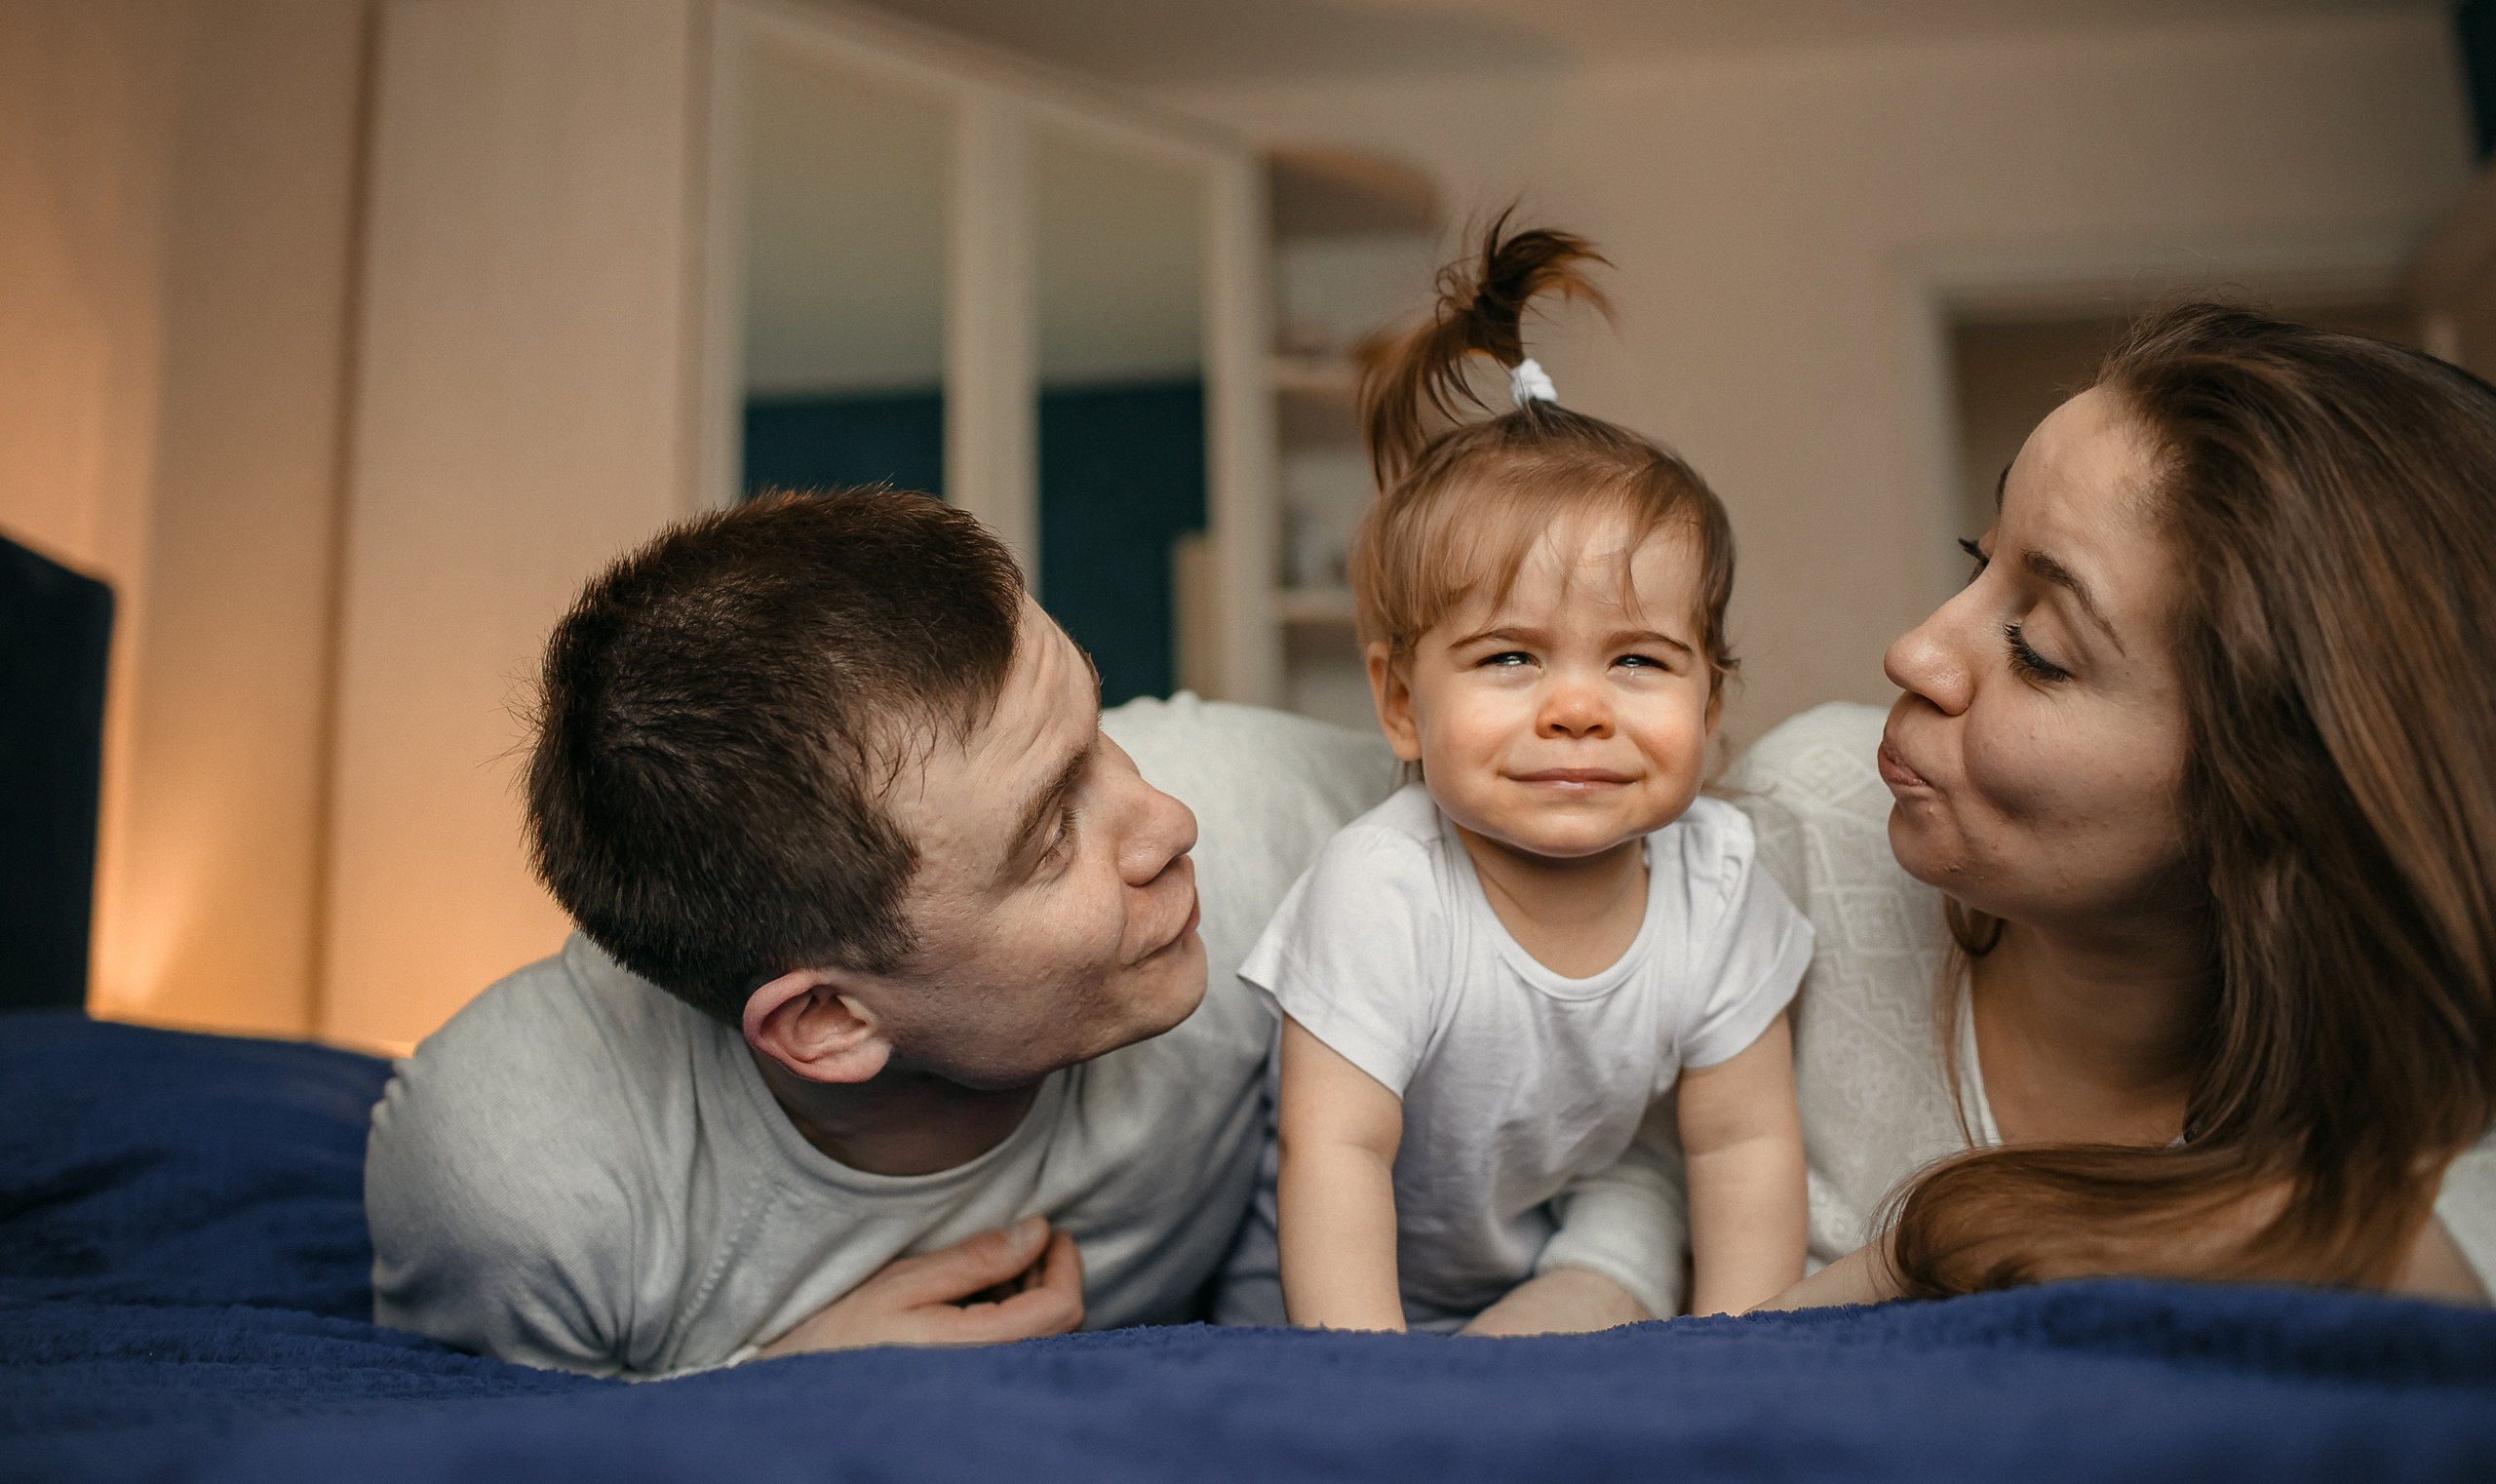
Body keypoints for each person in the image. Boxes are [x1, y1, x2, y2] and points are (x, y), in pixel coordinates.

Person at [365, 488, 1671, 1377]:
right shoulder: (517, 1180)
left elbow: (1655, 937)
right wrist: (766, 1392)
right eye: (1052, 833)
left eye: (1097, 726)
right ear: (828, 1020)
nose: (1164, 819)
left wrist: (1604, 1276)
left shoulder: (1276, 825)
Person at [1725, 303, 2496, 1308]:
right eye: (1977, 556)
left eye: (2039, 646)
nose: (1912, 650)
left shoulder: (2439, 1108)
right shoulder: (1806, 817)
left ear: (2278, 784)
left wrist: (1947, 1236)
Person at [1239, 223, 1813, 1333]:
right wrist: (1369, 1383)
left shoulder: (1719, 882)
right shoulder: (1382, 888)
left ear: (1711, 704)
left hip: (1536, 1275)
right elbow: (1336, 1150)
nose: (1578, 704)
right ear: (1401, 701)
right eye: (1511, 656)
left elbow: (1743, 1140)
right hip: (1322, 1297)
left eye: (1638, 659)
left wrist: (1747, 1348)